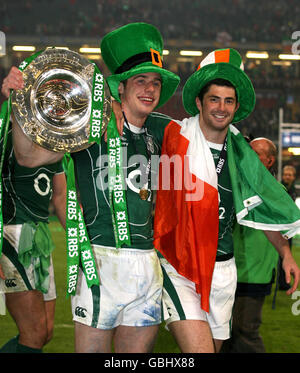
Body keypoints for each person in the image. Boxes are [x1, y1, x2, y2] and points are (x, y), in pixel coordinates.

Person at [2, 22, 180, 353]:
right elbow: (28, 157)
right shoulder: (96, 125)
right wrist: (19, 102)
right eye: (140, 80)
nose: (150, 89)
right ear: (121, 87)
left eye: (155, 82)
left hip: (148, 265)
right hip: (100, 263)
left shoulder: (165, 130)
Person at [153, 48, 300, 353]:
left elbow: (259, 208)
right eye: (214, 99)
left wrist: (285, 254)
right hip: (179, 266)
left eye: (228, 100)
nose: (221, 108)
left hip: (223, 270)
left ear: (236, 106)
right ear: (199, 102)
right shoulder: (173, 137)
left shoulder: (243, 154)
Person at [0, 99, 66, 352]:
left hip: (39, 237)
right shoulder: (5, 135)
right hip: (12, 234)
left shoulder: (52, 140)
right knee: (34, 332)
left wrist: (80, 241)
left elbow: (60, 197)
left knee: (46, 331)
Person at [221, 137, 280, 353]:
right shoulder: (238, 186)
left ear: (269, 161)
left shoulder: (275, 191)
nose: (248, 158)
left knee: (245, 332)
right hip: (229, 270)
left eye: (255, 154)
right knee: (223, 332)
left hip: (254, 275)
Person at [278, 164, 298, 290]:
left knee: (286, 255)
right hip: (278, 225)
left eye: (289, 175)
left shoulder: (293, 189)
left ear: (293, 177)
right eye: (285, 174)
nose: (287, 177)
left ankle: (284, 281)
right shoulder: (279, 187)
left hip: (288, 226)